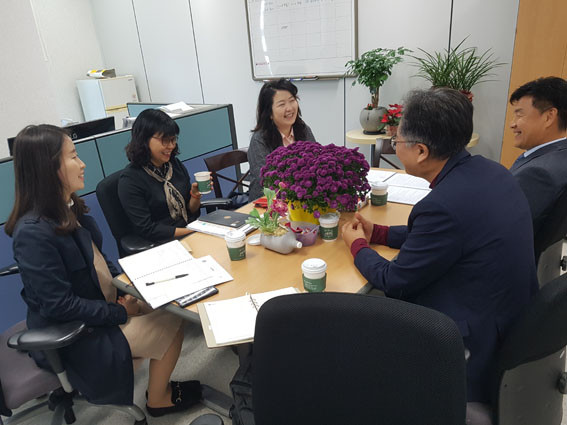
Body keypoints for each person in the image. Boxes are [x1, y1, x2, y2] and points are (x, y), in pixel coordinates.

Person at [342, 88, 538, 405]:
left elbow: (396, 281)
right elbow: (441, 236)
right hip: (507, 318)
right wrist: (378, 232)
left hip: (469, 342)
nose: (394, 144)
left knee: (352, 318)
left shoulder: (442, 206)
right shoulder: (492, 171)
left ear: (421, 151)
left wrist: (357, 246)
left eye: (397, 139)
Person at [5, 125, 201, 417]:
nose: (82, 164)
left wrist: (124, 293)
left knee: (168, 302)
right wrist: (119, 312)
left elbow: (98, 260)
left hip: (100, 308)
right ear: (48, 167)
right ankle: (159, 399)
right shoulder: (33, 233)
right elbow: (60, 306)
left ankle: (155, 383)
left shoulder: (69, 208)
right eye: (73, 156)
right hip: (74, 335)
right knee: (171, 322)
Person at [118, 108, 206, 243]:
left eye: (173, 139)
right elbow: (148, 229)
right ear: (144, 139)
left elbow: (190, 210)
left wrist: (195, 195)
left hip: (190, 232)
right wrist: (193, 231)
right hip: (163, 243)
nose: (171, 146)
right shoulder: (130, 180)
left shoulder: (174, 165)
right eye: (165, 140)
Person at [508, 76, 567, 238]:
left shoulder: (538, 173)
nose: (512, 124)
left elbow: (504, 227)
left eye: (519, 115)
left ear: (549, 117)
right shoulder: (559, 156)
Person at [248, 78, 316, 200]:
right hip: (267, 203)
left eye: (292, 100)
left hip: (301, 199)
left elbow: (316, 162)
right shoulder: (259, 140)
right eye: (282, 104)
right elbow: (267, 181)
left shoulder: (303, 129)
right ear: (269, 112)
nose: (289, 108)